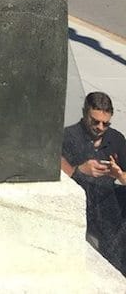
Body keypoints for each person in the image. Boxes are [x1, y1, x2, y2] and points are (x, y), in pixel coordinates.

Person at [62, 91, 126, 273]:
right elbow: (56, 169)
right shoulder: (69, 137)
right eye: (95, 121)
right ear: (84, 114)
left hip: (108, 199)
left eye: (105, 123)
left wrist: (119, 174)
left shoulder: (116, 139)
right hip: (82, 203)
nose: (100, 127)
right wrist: (79, 170)